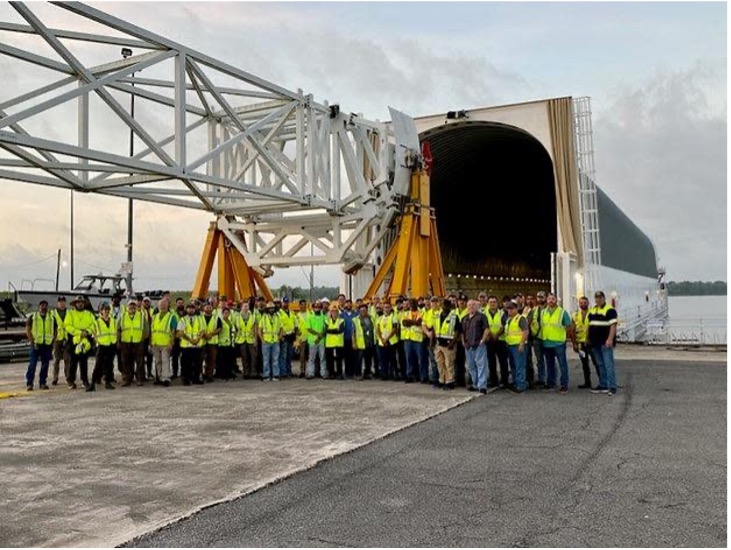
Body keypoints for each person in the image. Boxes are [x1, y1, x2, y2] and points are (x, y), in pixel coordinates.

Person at [541, 293, 573, 393]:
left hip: (559, 343)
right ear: (547, 300)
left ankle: (564, 385)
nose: (551, 301)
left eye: (553, 299)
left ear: (556, 300)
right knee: (549, 364)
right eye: (549, 299)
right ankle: (551, 383)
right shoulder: (543, 312)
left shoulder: (562, 312)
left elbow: (569, 326)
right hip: (547, 342)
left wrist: (565, 336)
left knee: (562, 364)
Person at [588, 291, 619, 395]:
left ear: (604, 298)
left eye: (600, 297)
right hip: (595, 343)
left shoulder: (609, 310)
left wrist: (610, 339)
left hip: (605, 342)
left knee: (608, 364)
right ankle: (603, 384)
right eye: (596, 297)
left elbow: (613, 326)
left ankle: (612, 386)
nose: (598, 299)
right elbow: (590, 325)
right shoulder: (592, 311)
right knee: (600, 364)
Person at [64, 295, 96, 389]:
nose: (80, 304)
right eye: (78, 302)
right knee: (72, 361)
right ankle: (71, 380)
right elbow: (67, 326)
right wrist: (79, 333)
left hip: (85, 340)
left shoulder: (89, 314)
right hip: (74, 339)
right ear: (75, 304)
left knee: (84, 361)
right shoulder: (70, 313)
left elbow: (94, 325)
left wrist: (87, 332)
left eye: (82, 302)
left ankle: (85, 380)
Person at [25, 299, 55, 391]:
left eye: (45, 305)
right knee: (32, 364)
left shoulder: (51, 318)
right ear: (39, 307)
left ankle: (42, 383)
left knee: (45, 365)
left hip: (46, 345)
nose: (43, 307)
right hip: (36, 344)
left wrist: (53, 340)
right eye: (42, 305)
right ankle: (29, 383)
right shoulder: (33, 317)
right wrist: (32, 341)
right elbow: (28, 329)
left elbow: (56, 330)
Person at [461, 299, 490, 394]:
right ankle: (475, 383)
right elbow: (462, 332)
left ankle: (482, 386)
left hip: (478, 344)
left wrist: (483, 340)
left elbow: (486, 329)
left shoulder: (482, 317)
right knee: (471, 366)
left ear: (477, 306)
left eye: (473, 305)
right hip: (468, 346)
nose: (471, 307)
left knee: (481, 365)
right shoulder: (464, 318)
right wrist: (463, 342)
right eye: (469, 305)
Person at [572, 296, 600, 389]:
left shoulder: (593, 313)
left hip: (591, 342)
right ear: (579, 304)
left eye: (585, 302)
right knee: (584, 364)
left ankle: (603, 381)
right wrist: (574, 343)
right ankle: (587, 382)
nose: (583, 304)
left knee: (596, 362)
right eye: (581, 302)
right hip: (581, 343)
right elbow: (572, 330)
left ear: (588, 303)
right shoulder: (575, 315)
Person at [434, 298, 461, 390]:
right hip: (439, 344)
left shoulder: (454, 317)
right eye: (442, 305)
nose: (444, 307)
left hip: (449, 344)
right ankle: (442, 380)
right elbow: (435, 329)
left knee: (449, 364)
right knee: (440, 363)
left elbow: (457, 331)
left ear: (449, 306)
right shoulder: (437, 315)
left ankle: (450, 381)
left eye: (445, 305)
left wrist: (453, 343)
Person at [118, 299, 147, 387]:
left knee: (140, 362)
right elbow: (118, 329)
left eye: (134, 306)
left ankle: (139, 379)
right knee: (126, 361)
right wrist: (118, 341)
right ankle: (128, 379)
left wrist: (142, 339)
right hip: (125, 342)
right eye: (130, 305)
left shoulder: (141, 316)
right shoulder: (122, 316)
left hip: (138, 342)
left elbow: (146, 329)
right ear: (127, 307)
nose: (132, 307)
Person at [89, 302, 116, 392]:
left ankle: (107, 382)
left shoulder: (113, 320)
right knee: (98, 365)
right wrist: (96, 343)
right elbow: (93, 332)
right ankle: (92, 383)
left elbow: (115, 331)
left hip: (111, 345)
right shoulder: (97, 322)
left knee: (109, 365)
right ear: (101, 311)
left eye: (108, 310)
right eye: (105, 310)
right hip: (101, 346)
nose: (106, 311)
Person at [504, 301, 529, 393]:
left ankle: (521, 385)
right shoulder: (508, 319)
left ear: (516, 309)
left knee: (520, 366)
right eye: (508, 309)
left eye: (511, 309)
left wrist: (522, 343)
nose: (509, 311)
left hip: (518, 345)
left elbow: (525, 331)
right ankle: (516, 382)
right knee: (513, 366)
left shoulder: (520, 318)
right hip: (510, 345)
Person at [150, 297, 176, 387]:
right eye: (161, 305)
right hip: (155, 343)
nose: (162, 306)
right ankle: (159, 378)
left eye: (164, 305)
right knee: (158, 361)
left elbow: (173, 331)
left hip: (166, 343)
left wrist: (171, 342)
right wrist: (151, 342)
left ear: (168, 305)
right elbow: (152, 330)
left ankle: (165, 379)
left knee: (165, 361)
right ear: (158, 306)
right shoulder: (155, 317)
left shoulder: (171, 317)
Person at [176, 302, 205, 385]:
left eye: (192, 308)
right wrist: (190, 340)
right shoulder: (183, 320)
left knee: (197, 363)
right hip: (186, 345)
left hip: (197, 345)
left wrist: (197, 339)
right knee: (186, 364)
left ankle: (196, 378)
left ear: (195, 309)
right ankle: (186, 379)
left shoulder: (199, 318)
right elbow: (180, 332)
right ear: (186, 309)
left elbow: (202, 331)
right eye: (189, 308)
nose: (191, 310)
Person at [484, 295, 509, 388]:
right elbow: (484, 326)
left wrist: (497, 335)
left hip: (500, 340)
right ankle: (493, 380)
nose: (492, 304)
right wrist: (491, 334)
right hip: (489, 340)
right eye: (490, 302)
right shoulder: (484, 313)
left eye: (494, 302)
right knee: (491, 362)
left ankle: (504, 381)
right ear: (488, 303)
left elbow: (505, 325)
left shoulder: (502, 313)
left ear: (497, 303)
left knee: (503, 362)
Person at [402, 298, 428, 383]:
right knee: (409, 359)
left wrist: (410, 321)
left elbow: (419, 323)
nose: (411, 304)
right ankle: (410, 376)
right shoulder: (406, 313)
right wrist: (414, 322)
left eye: (413, 303)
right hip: (408, 339)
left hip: (418, 339)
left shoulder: (421, 312)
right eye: (410, 303)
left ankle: (423, 376)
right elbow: (404, 323)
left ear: (416, 303)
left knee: (421, 358)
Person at [258, 301, 282, 381]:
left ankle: (276, 375)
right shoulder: (264, 317)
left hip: (275, 341)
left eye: (272, 308)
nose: (271, 309)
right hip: (266, 341)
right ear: (267, 309)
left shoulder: (278, 317)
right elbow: (259, 329)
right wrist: (262, 340)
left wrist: (279, 338)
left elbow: (281, 328)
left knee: (275, 359)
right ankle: (266, 375)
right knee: (266, 359)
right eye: (270, 308)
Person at [421, 296, 442, 387]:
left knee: (441, 361)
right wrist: (428, 333)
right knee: (433, 360)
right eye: (432, 302)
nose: (434, 303)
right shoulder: (428, 313)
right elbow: (423, 324)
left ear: (439, 302)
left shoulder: (442, 312)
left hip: (440, 338)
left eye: (436, 301)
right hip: (430, 339)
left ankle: (443, 379)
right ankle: (435, 379)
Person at [376, 301, 399, 380]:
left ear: (390, 308)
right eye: (385, 307)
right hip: (382, 342)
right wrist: (382, 339)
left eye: (388, 307)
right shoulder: (380, 318)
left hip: (391, 341)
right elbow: (378, 329)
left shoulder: (394, 317)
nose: (386, 309)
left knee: (393, 359)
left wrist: (387, 339)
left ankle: (394, 374)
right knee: (383, 359)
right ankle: (384, 375)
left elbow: (394, 329)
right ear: (383, 309)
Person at [305, 300, 327, 379]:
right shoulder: (310, 316)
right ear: (313, 308)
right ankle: (311, 373)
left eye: (319, 307)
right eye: (315, 307)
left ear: (321, 308)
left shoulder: (324, 316)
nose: (317, 308)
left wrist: (320, 336)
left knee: (322, 358)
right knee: (311, 358)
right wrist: (318, 334)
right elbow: (308, 328)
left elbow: (326, 327)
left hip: (321, 341)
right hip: (312, 341)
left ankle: (323, 373)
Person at [236, 301, 258, 379]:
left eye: (247, 306)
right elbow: (235, 328)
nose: (246, 307)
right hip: (242, 340)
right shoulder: (237, 317)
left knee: (253, 356)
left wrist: (255, 339)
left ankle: (253, 372)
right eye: (244, 306)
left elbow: (255, 328)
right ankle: (246, 372)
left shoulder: (252, 316)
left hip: (251, 339)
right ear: (241, 307)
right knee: (244, 357)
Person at [50, 296, 69, 386]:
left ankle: (68, 377)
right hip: (57, 339)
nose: (62, 303)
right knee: (56, 360)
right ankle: (55, 378)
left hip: (66, 339)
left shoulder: (69, 312)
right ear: (57, 303)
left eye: (63, 302)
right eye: (60, 302)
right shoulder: (53, 313)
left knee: (67, 359)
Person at [201, 302, 222, 383]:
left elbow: (219, 328)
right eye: (207, 307)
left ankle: (209, 375)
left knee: (211, 360)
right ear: (204, 308)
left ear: (212, 308)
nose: (208, 308)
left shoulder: (216, 318)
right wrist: (204, 335)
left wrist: (211, 334)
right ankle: (201, 374)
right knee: (201, 359)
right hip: (202, 341)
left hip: (213, 342)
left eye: (210, 307)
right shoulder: (200, 317)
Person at [352, 304, 375, 379]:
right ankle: (357, 374)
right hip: (360, 343)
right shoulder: (355, 320)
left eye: (364, 310)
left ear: (367, 310)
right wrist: (354, 343)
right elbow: (353, 332)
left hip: (369, 342)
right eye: (361, 310)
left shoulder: (371, 318)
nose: (363, 312)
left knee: (368, 359)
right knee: (359, 360)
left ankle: (367, 373)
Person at [530, 291, 547, 387]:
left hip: (547, 338)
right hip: (537, 338)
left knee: (549, 360)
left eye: (542, 297)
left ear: (545, 298)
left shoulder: (549, 309)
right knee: (539, 360)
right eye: (538, 297)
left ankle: (550, 379)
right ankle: (541, 379)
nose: (540, 299)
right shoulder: (534, 310)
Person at [277, 297, 297, 378]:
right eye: (284, 302)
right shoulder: (279, 313)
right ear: (282, 303)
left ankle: (289, 371)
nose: (286, 304)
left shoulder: (292, 313)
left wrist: (296, 333)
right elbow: (279, 326)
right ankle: (283, 372)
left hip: (291, 336)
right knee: (283, 356)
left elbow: (295, 323)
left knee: (289, 356)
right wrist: (281, 336)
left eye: (287, 302)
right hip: (284, 336)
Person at [325, 304, 345, 379]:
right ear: (330, 312)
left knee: (339, 360)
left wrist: (331, 331)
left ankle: (339, 373)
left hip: (338, 343)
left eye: (336, 311)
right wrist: (334, 330)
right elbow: (326, 330)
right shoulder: (327, 321)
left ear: (338, 312)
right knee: (330, 359)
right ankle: (331, 373)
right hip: (329, 343)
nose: (334, 313)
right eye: (332, 311)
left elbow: (340, 330)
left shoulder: (341, 320)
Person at [216, 307, 237, 380]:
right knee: (222, 361)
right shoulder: (220, 321)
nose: (226, 314)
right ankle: (222, 374)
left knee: (229, 360)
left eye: (227, 313)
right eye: (225, 313)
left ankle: (228, 373)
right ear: (222, 313)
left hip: (229, 343)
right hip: (222, 344)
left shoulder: (230, 321)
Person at [340, 299, 358, 379]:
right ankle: (347, 372)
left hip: (354, 338)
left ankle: (354, 372)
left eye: (350, 304)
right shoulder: (342, 315)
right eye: (347, 304)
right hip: (345, 337)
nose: (348, 305)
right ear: (345, 305)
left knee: (354, 356)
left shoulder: (356, 314)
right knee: (346, 356)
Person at [171, 297, 185, 379]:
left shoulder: (187, 313)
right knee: (175, 357)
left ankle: (183, 372)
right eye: (179, 303)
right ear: (176, 304)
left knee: (184, 358)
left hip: (185, 338)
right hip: (176, 338)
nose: (180, 304)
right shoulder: (173, 314)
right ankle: (175, 373)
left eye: (181, 303)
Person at [296, 299, 309, 378]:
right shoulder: (297, 315)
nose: (303, 306)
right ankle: (302, 371)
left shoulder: (310, 314)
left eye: (305, 304)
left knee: (311, 355)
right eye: (302, 304)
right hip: (302, 337)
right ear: (299, 306)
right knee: (302, 355)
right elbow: (296, 327)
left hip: (310, 336)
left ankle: (311, 370)